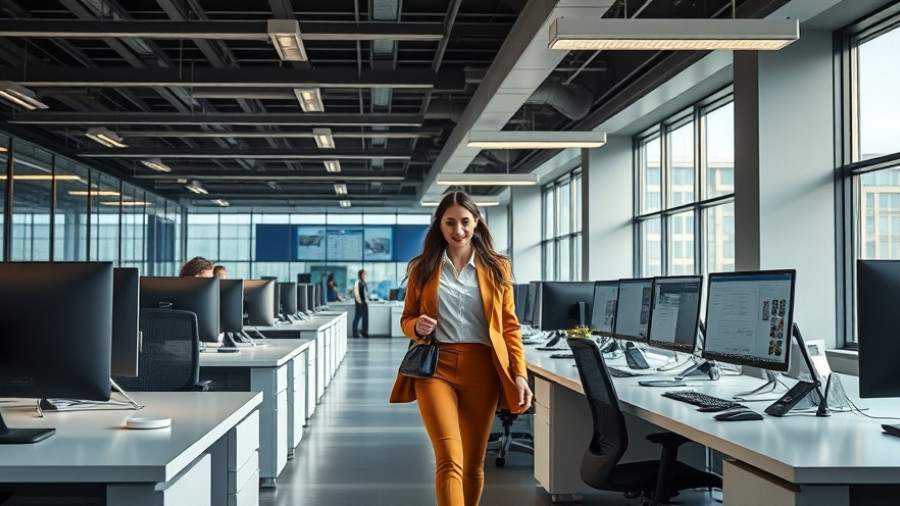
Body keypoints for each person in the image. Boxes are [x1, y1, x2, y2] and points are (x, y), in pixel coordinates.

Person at [389, 191, 533, 506]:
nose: (458, 231)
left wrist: (519, 374)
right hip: (435, 367)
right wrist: (416, 326)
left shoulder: (498, 268)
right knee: (449, 458)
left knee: (473, 464)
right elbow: (406, 318)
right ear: (439, 225)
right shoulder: (422, 268)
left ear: (477, 222)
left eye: (465, 222)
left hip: (483, 369)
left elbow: (509, 327)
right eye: (450, 222)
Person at [352, 269, 369, 338]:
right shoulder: (358, 283)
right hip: (360, 303)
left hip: (364, 302)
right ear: (360, 275)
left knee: (365, 318)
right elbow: (356, 294)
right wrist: (359, 302)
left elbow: (365, 293)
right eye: (363, 274)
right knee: (357, 317)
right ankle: (355, 333)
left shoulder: (363, 283)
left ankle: (364, 332)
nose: (364, 275)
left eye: (365, 274)